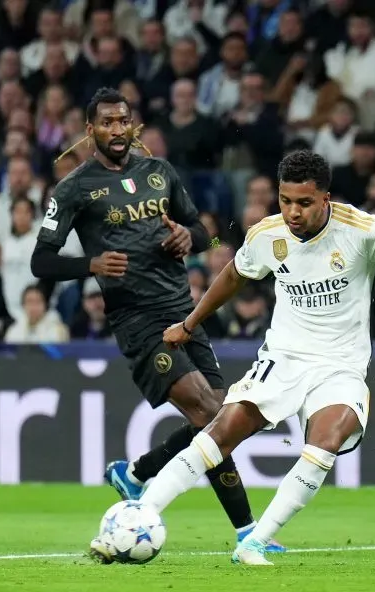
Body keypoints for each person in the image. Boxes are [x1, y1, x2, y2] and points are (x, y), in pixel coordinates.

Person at [91, 150, 375, 566]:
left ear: (326, 198)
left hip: (340, 365)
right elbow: (233, 274)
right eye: (285, 201)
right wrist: (189, 324)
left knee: (324, 445)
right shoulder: (266, 235)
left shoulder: (357, 227)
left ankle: (254, 542)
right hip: (283, 358)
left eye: (304, 202)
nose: (293, 212)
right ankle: (140, 513)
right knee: (220, 431)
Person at [30, 88, 283, 553]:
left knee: (222, 417)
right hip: (137, 319)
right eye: (107, 122)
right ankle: (248, 532)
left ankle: (136, 473)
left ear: (133, 125)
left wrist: (189, 237)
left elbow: (208, 236)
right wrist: (90, 265)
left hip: (185, 312)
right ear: (90, 130)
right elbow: (40, 262)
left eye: (123, 121)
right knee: (211, 415)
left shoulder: (160, 172)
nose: (116, 129)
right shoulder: (74, 189)